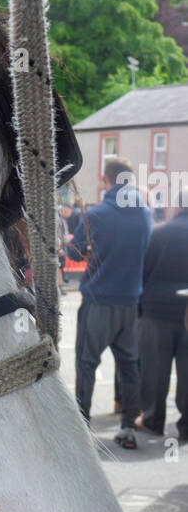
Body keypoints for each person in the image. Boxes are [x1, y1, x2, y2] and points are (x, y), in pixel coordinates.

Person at [68, 157, 152, 449]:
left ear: (106, 180)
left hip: (98, 301)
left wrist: (89, 251)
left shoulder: (98, 214)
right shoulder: (145, 214)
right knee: (130, 367)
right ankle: (128, 427)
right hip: (130, 301)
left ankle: (82, 427)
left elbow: (75, 253)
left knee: (86, 364)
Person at [135, 190, 188, 443]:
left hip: (156, 311)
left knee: (155, 370)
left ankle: (153, 420)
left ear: (177, 206)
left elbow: (141, 274)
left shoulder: (157, 232)